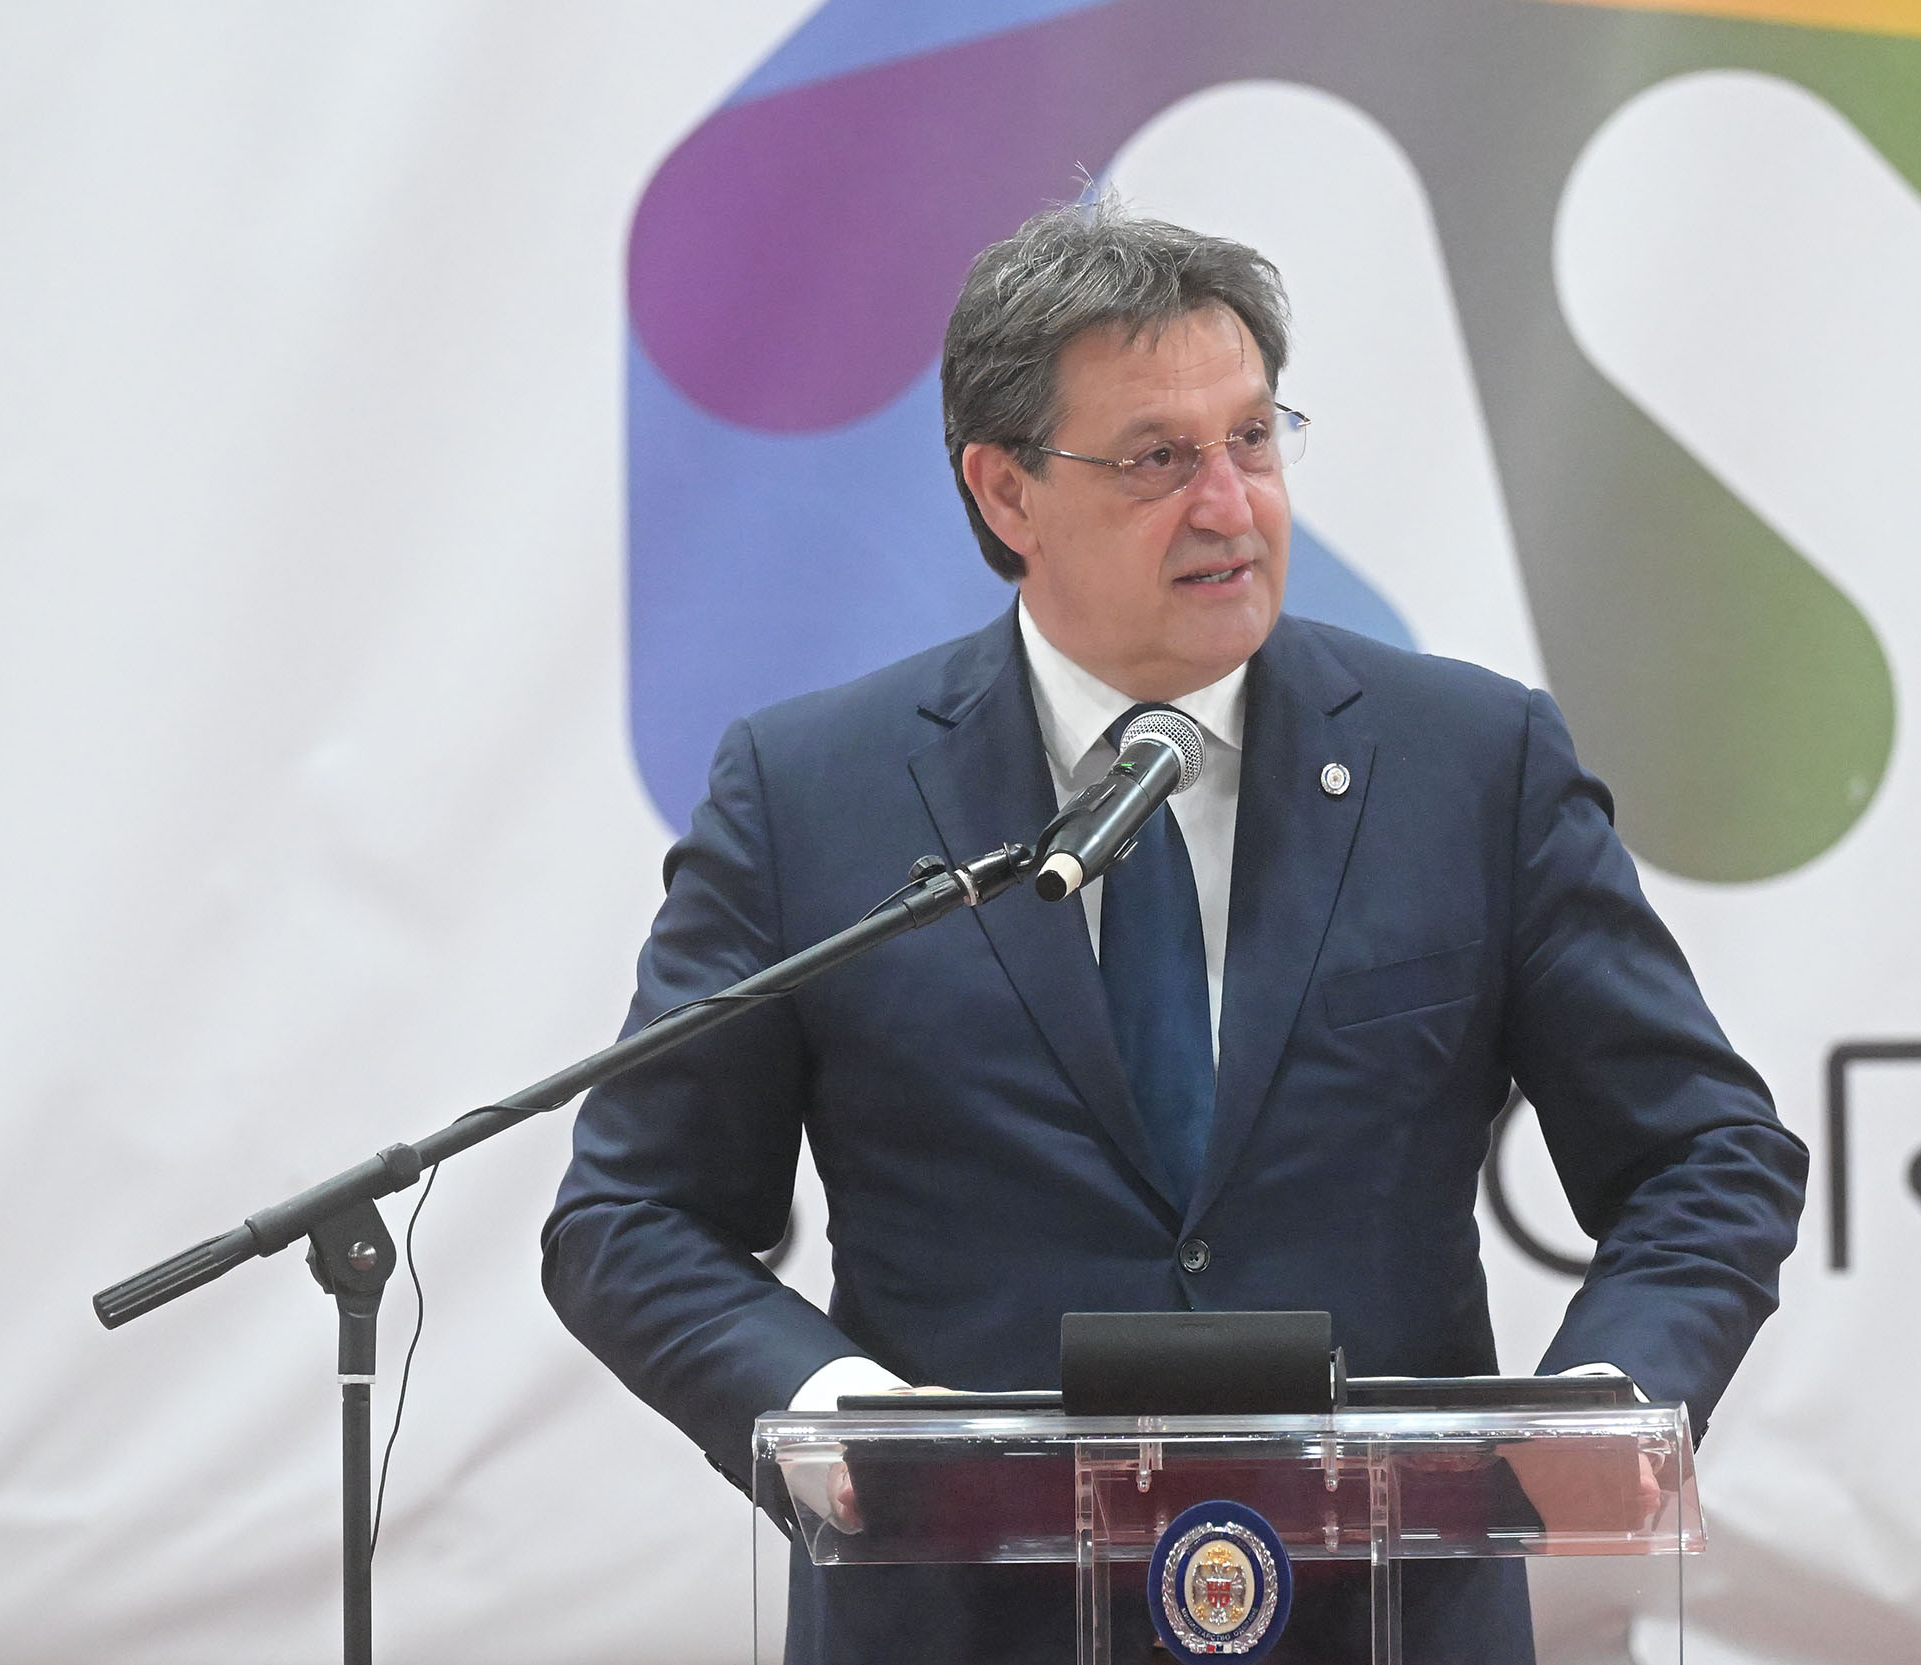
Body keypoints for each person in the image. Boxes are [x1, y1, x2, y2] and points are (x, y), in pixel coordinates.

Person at [544, 197, 1806, 1662]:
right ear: (1006, 492)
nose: (1230, 504)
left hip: (1378, 1621)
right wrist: (847, 1426)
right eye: (1158, 458)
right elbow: (631, 1216)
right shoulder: (814, 795)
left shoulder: (1469, 763)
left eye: (1252, 438)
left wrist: (1600, 1405)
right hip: (963, 1623)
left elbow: (1707, 1152)